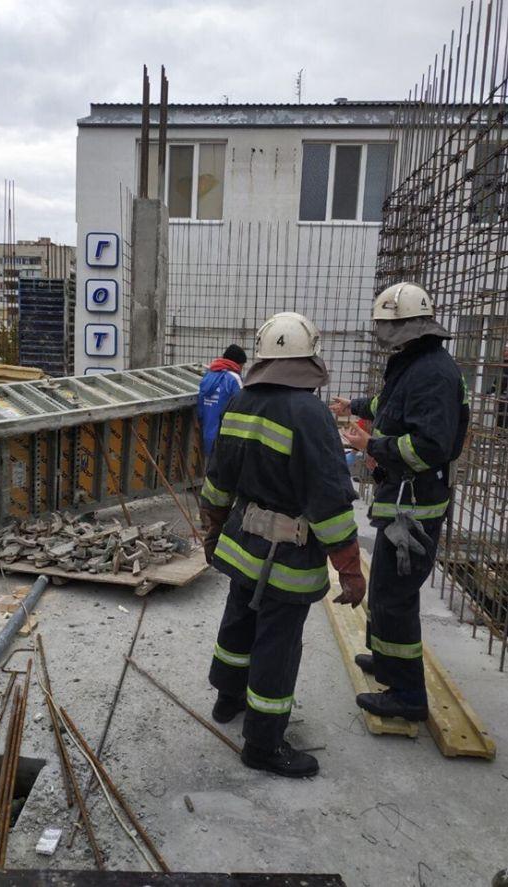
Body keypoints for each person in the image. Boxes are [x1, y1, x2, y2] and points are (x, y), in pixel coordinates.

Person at [200, 312, 366, 779]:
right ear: (309, 360)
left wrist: (211, 531)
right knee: (277, 644)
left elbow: (218, 480)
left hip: (241, 544)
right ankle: (264, 744)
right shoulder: (309, 413)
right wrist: (350, 569)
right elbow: (330, 502)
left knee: (239, 621)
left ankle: (227, 700)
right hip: (289, 558)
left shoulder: (242, 402)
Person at [332, 282, 469, 722]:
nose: (378, 333)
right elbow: (387, 403)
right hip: (404, 498)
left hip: (415, 506)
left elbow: (432, 445)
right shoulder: (415, 364)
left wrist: (376, 445)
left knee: (395, 596)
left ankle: (407, 696)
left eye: (384, 325)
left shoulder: (432, 372)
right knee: (390, 590)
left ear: (405, 326)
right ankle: (387, 660)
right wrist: (351, 405)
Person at [197, 344, 247, 459]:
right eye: (242, 366)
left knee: (210, 470)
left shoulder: (208, 376)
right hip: (226, 437)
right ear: (238, 364)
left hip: (207, 433)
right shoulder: (234, 378)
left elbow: (200, 409)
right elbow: (242, 406)